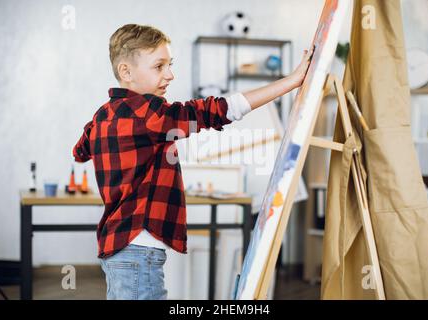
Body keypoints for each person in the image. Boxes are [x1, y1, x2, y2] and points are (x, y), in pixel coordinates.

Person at [73, 24, 313, 300]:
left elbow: (80, 151)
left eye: (169, 65)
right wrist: (290, 82)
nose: (170, 75)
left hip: (116, 249)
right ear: (126, 72)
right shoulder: (150, 114)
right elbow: (216, 111)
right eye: (159, 66)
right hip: (139, 249)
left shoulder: (101, 117)